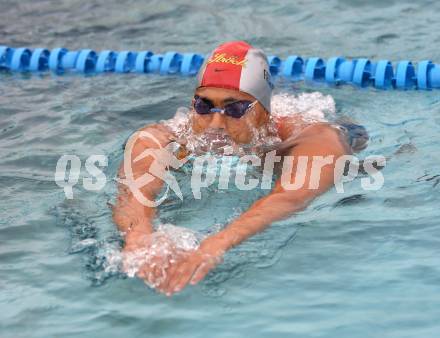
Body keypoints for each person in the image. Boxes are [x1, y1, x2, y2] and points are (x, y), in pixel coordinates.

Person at [112, 41, 367, 296]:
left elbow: (292, 195)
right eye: (203, 105)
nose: (215, 123)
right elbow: (135, 192)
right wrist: (138, 238)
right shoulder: (162, 137)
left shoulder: (317, 138)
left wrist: (218, 243)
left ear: (264, 113)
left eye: (234, 109)